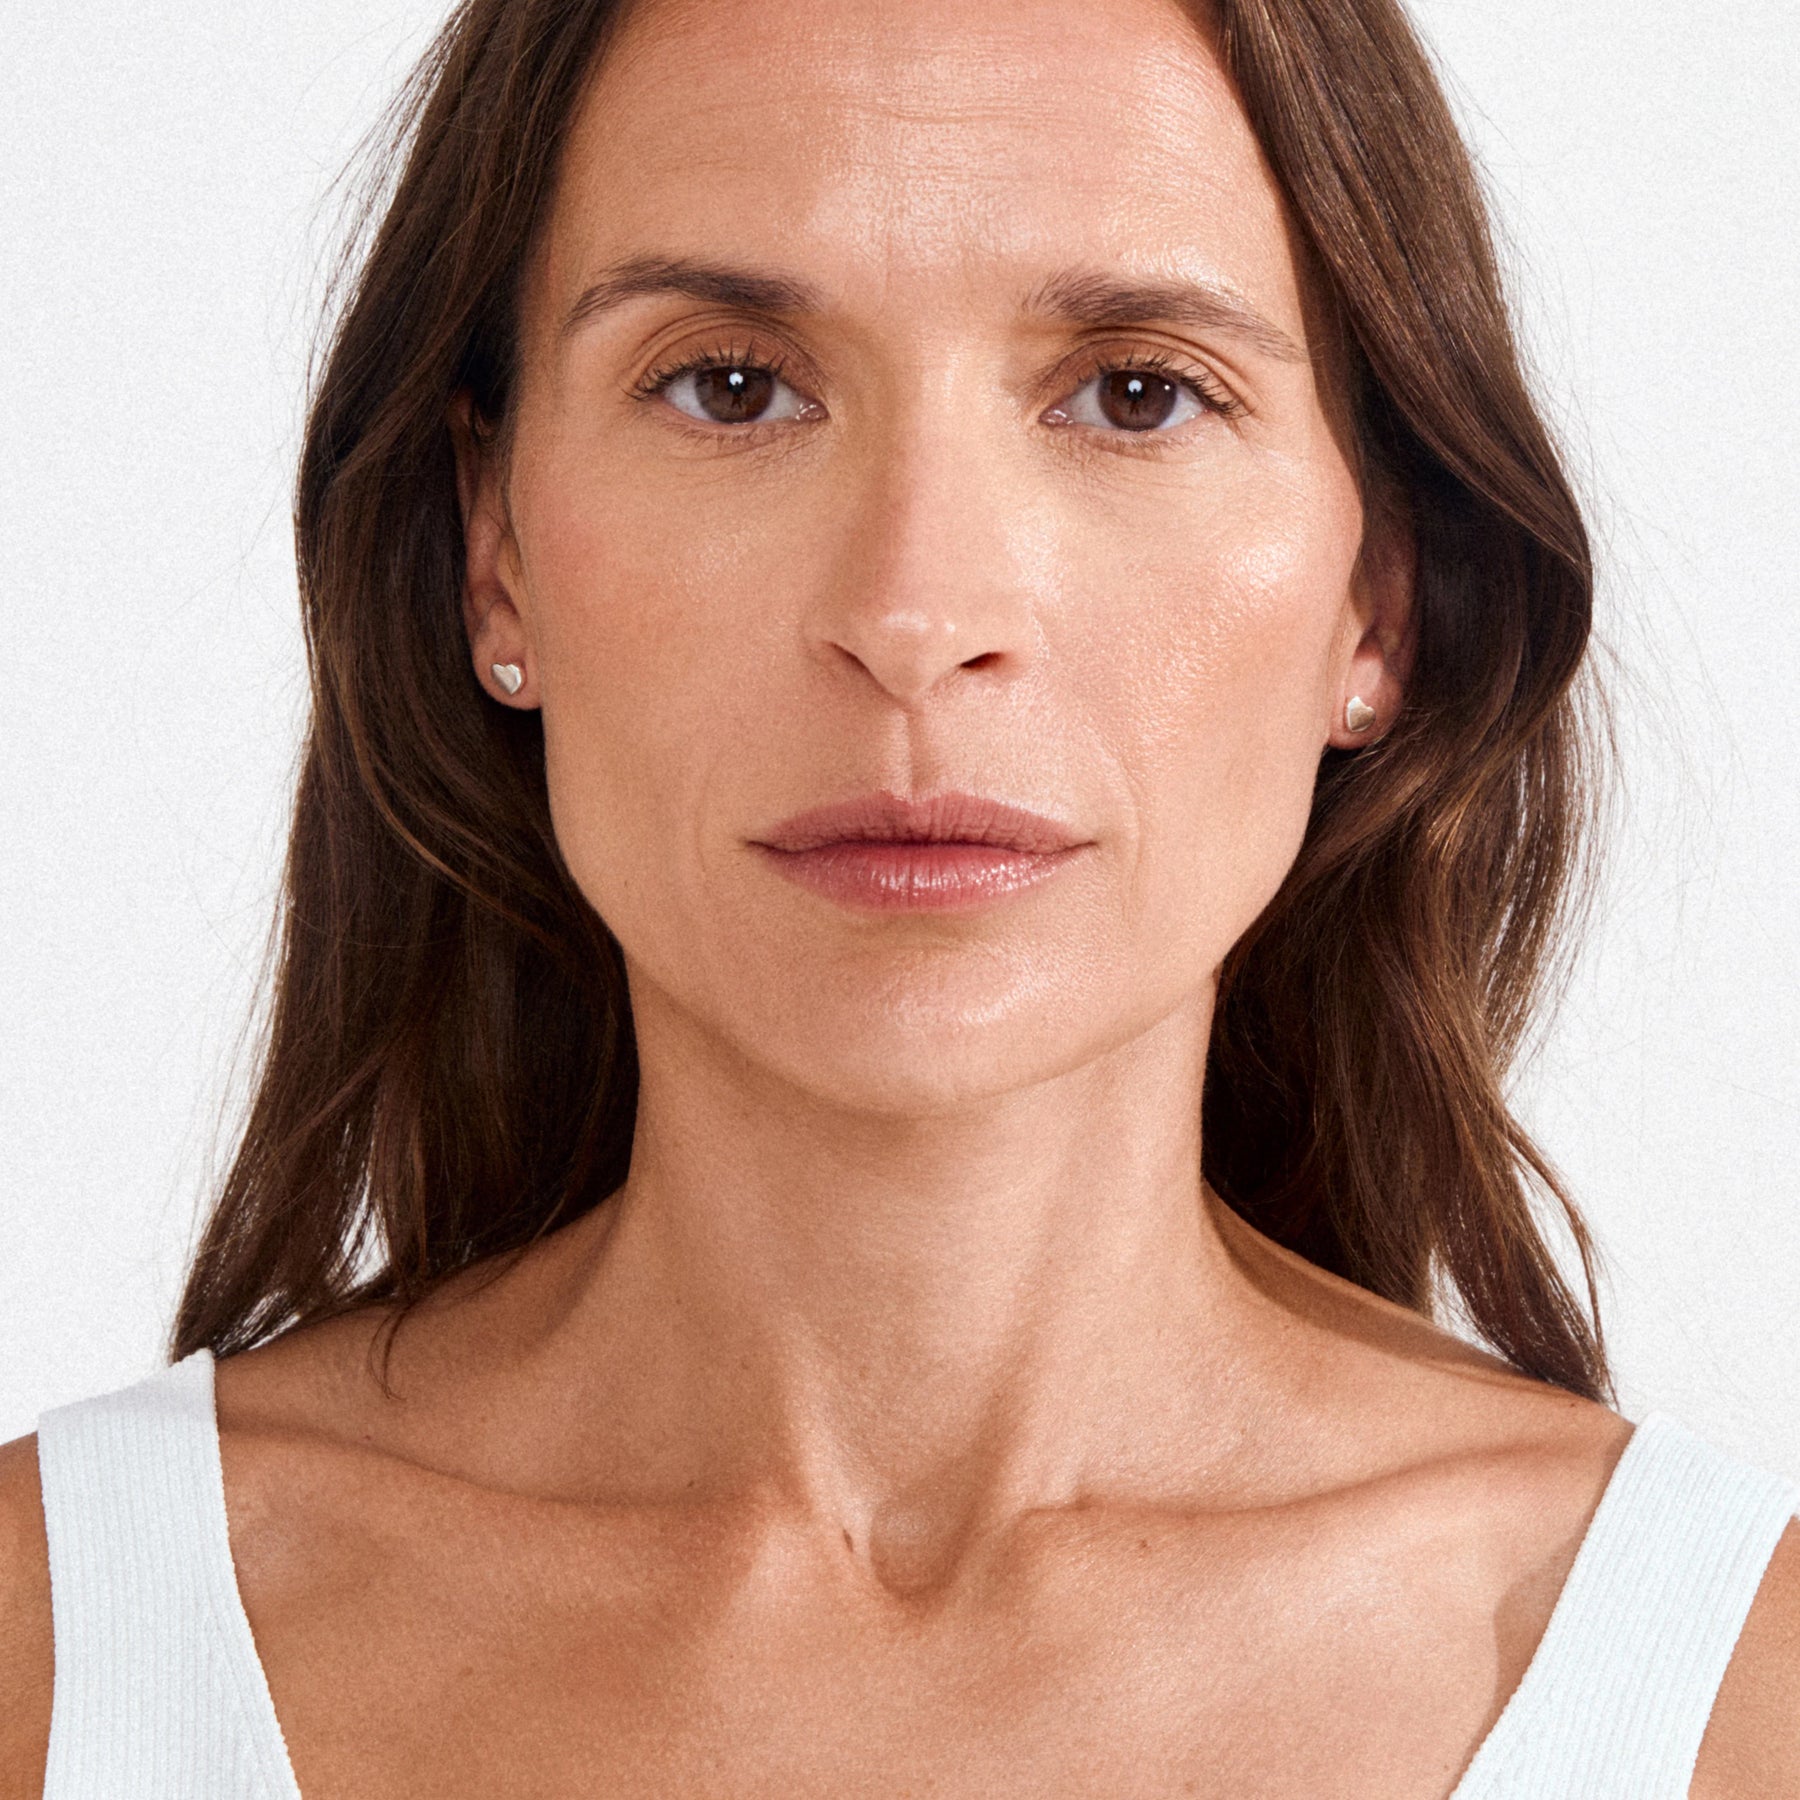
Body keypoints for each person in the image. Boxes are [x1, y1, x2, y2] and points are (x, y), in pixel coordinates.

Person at [2, 0, 1795, 1790]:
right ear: (496, 555)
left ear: (1380, 593)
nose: (916, 614)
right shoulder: (47, 1649)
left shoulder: (1737, 1703)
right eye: (730, 386)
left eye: (1137, 393)